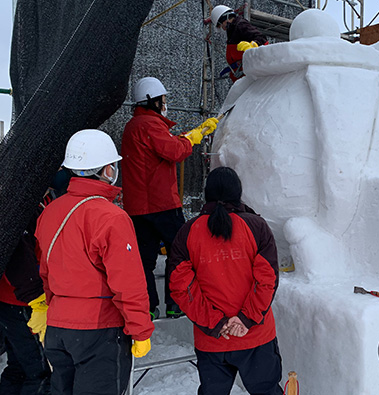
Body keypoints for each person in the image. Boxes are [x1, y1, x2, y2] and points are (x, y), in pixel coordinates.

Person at [34, 129, 154, 395]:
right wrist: (141, 329)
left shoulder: (51, 211)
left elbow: (45, 270)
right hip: (99, 331)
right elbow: (128, 282)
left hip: (58, 330)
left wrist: (51, 309)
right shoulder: (111, 217)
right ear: (107, 170)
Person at [170, 167, 283, 395]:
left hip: (212, 341)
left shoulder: (188, 232)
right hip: (255, 338)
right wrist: (245, 319)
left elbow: (180, 287)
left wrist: (216, 322)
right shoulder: (256, 226)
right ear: (238, 193)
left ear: (207, 194)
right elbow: (267, 280)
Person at [121, 76, 219, 320]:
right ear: (152, 101)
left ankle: (148, 307)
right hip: (161, 204)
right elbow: (174, 150)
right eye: (163, 100)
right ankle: (176, 304)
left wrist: (190, 134)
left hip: (138, 208)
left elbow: (166, 144)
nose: (165, 104)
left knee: (145, 260)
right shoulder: (149, 125)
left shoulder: (136, 126)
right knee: (179, 253)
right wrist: (192, 138)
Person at [0, 210, 50, 395]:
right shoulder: (21, 205)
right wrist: (36, 299)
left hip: (12, 300)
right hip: (24, 302)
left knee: (19, 368)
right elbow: (18, 258)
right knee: (41, 372)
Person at [210, 4, 268, 82]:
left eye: (221, 26)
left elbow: (261, 38)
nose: (223, 29)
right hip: (243, 76)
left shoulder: (240, 25)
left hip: (252, 76)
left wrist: (253, 45)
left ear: (225, 19)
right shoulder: (232, 30)